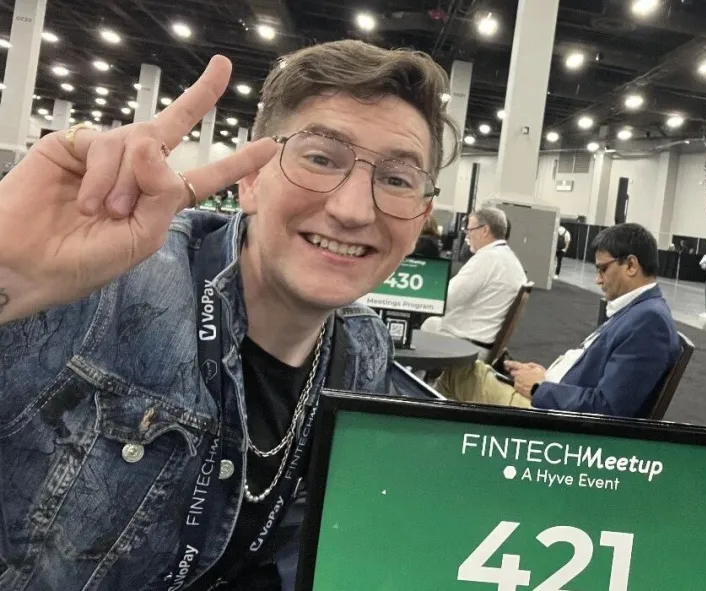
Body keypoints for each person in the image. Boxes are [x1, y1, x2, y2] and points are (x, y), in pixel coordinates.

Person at [0, 39, 457, 590]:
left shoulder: (362, 353)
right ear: (251, 178)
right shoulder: (109, 288)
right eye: (319, 158)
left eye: (397, 179)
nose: (353, 210)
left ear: (422, 216)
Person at [437, 223, 681, 418]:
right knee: (472, 371)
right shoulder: (639, 312)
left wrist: (539, 388)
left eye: (603, 269)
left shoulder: (649, 322)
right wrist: (546, 376)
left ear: (630, 265)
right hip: (554, 400)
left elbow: (608, 410)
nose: (598, 280)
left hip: (554, 420)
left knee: (458, 374)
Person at [422, 207, 526, 350]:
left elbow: (446, 299)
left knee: (424, 324)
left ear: (484, 230)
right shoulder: (510, 259)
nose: (467, 236)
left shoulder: (486, 259)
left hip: (468, 343)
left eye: (470, 230)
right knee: (432, 323)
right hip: (484, 341)